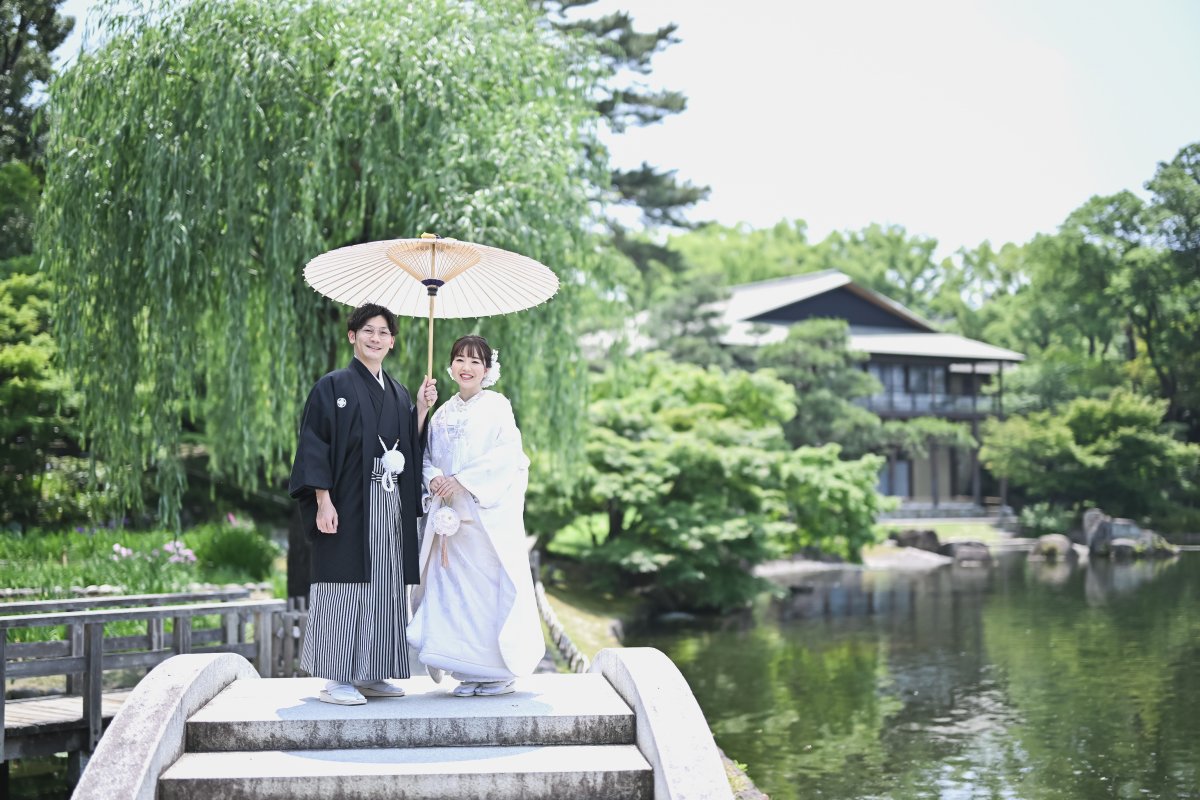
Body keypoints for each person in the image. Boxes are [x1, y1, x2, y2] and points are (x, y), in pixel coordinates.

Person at [288, 303, 437, 705]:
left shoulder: (399, 392)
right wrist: (323, 500)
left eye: (384, 332)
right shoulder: (332, 386)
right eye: (368, 330)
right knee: (345, 584)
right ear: (352, 336)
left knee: (386, 583)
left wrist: (421, 410)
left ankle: (373, 671)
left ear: (392, 342)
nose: (376, 338)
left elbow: (409, 447)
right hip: (349, 499)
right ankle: (336, 676)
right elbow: (315, 444)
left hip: (390, 501)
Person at [407, 335, 543, 696]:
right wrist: (434, 477)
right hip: (449, 521)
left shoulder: (497, 407)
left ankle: (497, 672)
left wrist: (463, 480)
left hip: (483, 520)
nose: (466, 367)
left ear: (486, 370)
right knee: (455, 596)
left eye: (475, 361)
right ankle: (468, 670)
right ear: (450, 366)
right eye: (460, 359)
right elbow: (426, 456)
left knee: (485, 595)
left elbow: (508, 455)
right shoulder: (441, 413)